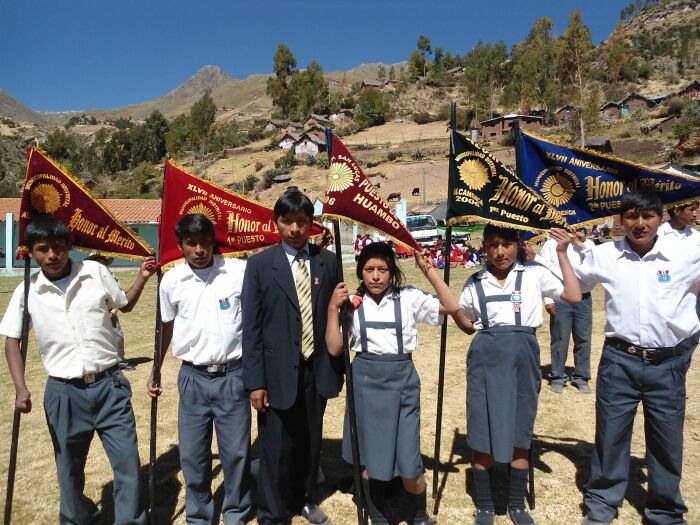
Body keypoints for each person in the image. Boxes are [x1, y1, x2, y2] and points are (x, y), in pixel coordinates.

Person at [0, 215, 156, 525]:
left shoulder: (94, 272)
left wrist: (141, 278)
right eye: (42, 249)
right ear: (30, 251)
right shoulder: (27, 291)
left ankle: (131, 521)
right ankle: (77, 518)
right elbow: (12, 340)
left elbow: (123, 305)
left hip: (109, 384)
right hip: (64, 392)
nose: (52, 256)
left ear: (70, 246)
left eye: (58, 247)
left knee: (127, 464)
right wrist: (20, 388)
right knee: (69, 469)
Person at [578, 191, 700, 525]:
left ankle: (665, 510)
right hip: (621, 360)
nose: (639, 224)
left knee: (666, 438)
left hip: (668, 363)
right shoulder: (605, 256)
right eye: (631, 217)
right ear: (621, 221)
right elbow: (575, 284)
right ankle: (602, 502)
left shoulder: (689, 250)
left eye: (647, 216)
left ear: (661, 218)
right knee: (611, 434)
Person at [325, 243, 463, 525]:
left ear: (392, 271)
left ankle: (420, 515)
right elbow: (335, 348)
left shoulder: (408, 297)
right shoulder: (352, 304)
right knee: (371, 458)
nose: (376, 276)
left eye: (383, 269)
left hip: (402, 381)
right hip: (365, 383)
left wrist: (430, 272)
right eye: (369, 270)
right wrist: (331, 309)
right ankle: (378, 515)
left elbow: (451, 306)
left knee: (410, 460)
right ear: (360, 272)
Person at [456, 224, 581, 525]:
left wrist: (562, 252)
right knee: (482, 427)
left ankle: (516, 503)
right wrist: (450, 307)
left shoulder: (534, 273)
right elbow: (467, 323)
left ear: (518, 245)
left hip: (523, 357)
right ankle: (485, 506)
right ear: (484, 247)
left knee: (520, 427)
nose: (500, 252)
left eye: (506, 244)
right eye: (493, 245)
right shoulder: (475, 282)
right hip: (485, 359)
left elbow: (574, 295)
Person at [242, 188, 342, 525]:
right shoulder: (259, 265)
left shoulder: (327, 262)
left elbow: (335, 315)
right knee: (275, 447)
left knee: (309, 441)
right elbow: (252, 328)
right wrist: (255, 382)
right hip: (275, 374)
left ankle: (304, 498)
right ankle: (272, 511)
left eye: (302, 221)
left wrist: (337, 365)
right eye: (288, 222)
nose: (295, 229)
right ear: (277, 223)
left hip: (316, 370)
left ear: (311, 224)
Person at [147, 214, 251, 525]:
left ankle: (236, 512)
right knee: (193, 456)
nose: (200, 249)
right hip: (192, 377)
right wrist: (157, 367)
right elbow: (165, 326)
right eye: (191, 243)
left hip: (233, 375)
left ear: (213, 242)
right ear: (180, 246)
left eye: (205, 242)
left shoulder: (238, 272)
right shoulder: (171, 280)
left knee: (236, 454)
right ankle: (200, 516)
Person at [537, 227, 596, 394]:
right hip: (560, 297)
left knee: (583, 339)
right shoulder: (550, 244)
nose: (575, 230)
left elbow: (595, 264)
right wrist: (548, 299)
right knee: (560, 338)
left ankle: (581, 377)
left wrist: (583, 242)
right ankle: (557, 376)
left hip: (584, 298)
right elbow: (543, 269)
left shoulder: (588, 245)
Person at [84, 252, 135, 371]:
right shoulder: (86, 278)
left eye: (103, 261)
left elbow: (119, 296)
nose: (101, 264)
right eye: (97, 261)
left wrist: (113, 312)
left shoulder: (111, 276)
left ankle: (120, 361)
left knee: (117, 336)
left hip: (110, 312)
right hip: (93, 313)